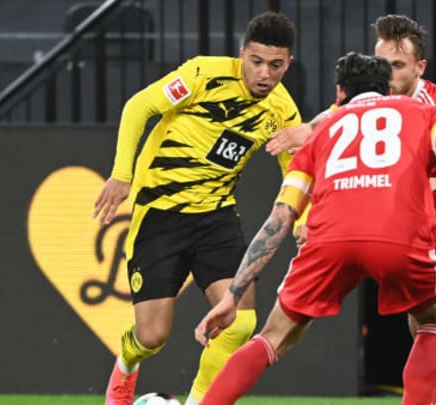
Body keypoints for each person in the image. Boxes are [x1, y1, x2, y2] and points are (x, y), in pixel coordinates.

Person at [194, 52, 436, 405]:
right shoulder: (421, 111)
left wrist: (233, 294)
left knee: (271, 337)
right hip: (398, 238)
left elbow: (279, 220)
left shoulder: (321, 133)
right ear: (388, 90)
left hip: (329, 240)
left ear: (339, 93)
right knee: (435, 320)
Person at [265, 14, 436, 404]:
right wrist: (303, 132)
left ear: (419, 68)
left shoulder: (435, 101)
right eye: (383, 64)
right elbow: (328, 136)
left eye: (398, 65)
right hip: (413, 224)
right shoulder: (366, 102)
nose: (388, 73)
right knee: (423, 320)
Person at [92, 11, 300, 405]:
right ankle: (127, 362)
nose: (264, 74)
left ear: (287, 64)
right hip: (161, 215)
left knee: (241, 321)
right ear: (242, 55)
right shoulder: (203, 74)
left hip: (216, 218)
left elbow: (295, 171)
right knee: (152, 337)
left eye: (275, 65)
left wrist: (303, 216)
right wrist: (122, 174)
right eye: (256, 61)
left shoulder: (282, 111)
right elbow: (139, 107)